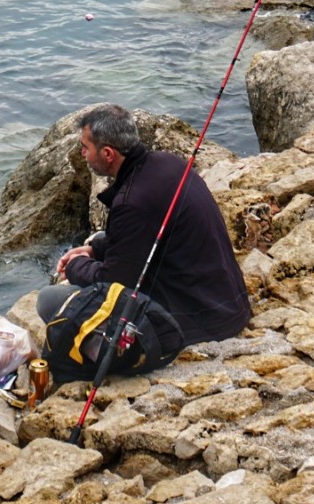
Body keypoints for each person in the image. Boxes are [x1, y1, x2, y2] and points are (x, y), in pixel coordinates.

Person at [45, 103, 251, 345]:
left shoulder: (132, 201)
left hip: (201, 321)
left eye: (85, 148)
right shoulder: (167, 162)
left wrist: (75, 266)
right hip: (229, 304)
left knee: (48, 300)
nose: (82, 154)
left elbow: (114, 282)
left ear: (108, 153)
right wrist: (94, 249)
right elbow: (141, 237)